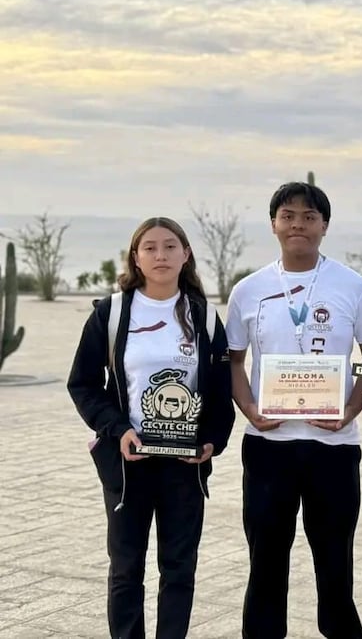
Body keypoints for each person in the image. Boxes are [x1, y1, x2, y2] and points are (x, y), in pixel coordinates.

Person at [67, 217, 235, 639]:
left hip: (183, 465)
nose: (160, 255)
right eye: (150, 247)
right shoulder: (112, 312)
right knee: (126, 569)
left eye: (170, 246)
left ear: (186, 254)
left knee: (179, 569)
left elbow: (219, 394)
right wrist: (117, 429)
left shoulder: (204, 317)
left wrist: (209, 443)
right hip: (128, 464)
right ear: (136, 257)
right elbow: (83, 384)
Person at [225, 181, 362, 639]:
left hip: (334, 447)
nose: (298, 225)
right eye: (288, 215)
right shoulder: (248, 291)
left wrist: (349, 412)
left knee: (335, 560)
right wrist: (250, 409)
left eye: (309, 217)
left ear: (324, 226)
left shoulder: (354, 287)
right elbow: (233, 361)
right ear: (274, 223)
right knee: (266, 560)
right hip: (269, 447)